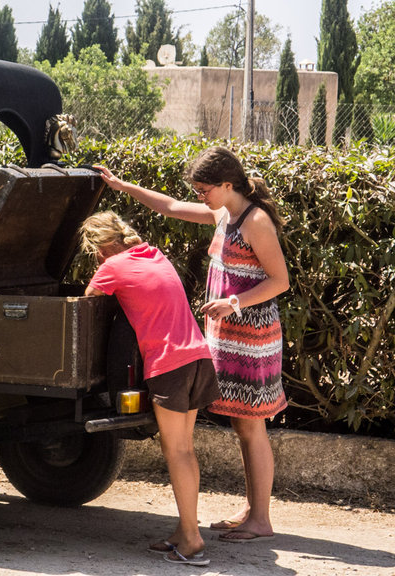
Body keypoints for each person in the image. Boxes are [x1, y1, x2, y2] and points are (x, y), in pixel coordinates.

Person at [93, 146, 289, 545]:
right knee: (241, 423)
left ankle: (260, 518)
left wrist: (234, 302)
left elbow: (279, 280)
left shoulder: (255, 221)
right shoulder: (224, 213)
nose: (200, 197)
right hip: (227, 333)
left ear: (228, 184)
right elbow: (169, 206)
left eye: (204, 190)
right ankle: (253, 510)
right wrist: (122, 186)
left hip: (251, 336)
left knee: (251, 424)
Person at [81, 211, 219, 567]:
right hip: (198, 356)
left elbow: (86, 305)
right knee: (184, 449)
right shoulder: (153, 254)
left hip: (169, 365)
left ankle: (192, 540)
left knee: (177, 452)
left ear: (99, 247)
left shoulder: (111, 266)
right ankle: (183, 531)